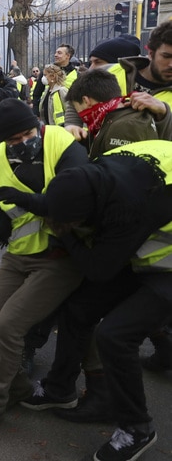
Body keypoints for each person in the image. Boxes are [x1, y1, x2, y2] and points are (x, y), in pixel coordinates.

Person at [17, 141, 172, 461]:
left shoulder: (136, 205)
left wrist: (68, 234)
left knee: (115, 334)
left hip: (166, 266)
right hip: (144, 249)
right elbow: (61, 202)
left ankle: (136, 428)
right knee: (78, 308)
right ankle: (60, 390)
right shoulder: (92, 175)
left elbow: (100, 269)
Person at [0, 98, 88, 433]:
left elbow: (78, 196)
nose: (24, 141)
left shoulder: (61, 142)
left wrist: (30, 200)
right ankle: (20, 387)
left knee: (9, 325)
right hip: (19, 255)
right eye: (14, 139)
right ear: (3, 141)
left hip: (60, 258)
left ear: (37, 125)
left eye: (29, 132)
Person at [64, 21, 172, 142]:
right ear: (151, 54)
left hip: (148, 159)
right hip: (97, 157)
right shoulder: (112, 71)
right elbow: (76, 97)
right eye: (166, 56)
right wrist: (72, 124)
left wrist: (164, 113)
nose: (171, 64)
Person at [67, 68, 159, 158]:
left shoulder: (124, 126)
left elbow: (114, 170)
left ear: (86, 101)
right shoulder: (118, 117)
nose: (79, 114)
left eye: (77, 108)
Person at [33, 44, 78, 115]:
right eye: (56, 52)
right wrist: (36, 112)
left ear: (68, 56)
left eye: (59, 53)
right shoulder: (46, 72)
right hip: (47, 115)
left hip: (69, 115)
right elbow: (37, 93)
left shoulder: (77, 74)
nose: (55, 55)